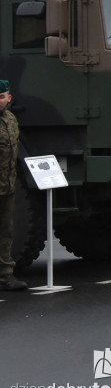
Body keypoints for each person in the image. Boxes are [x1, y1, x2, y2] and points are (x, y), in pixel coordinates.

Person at [0, 80, 27, 292]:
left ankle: (5, 275)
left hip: (7, 186)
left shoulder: (11, 119)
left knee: (6, 231)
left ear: (9, 98)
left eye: (2, 97)